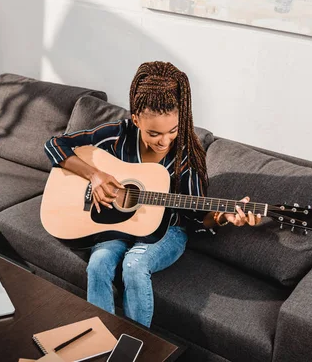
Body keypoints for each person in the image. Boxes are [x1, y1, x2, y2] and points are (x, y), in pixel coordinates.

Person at [44, 61, 262, 327]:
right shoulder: (118, 136)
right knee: (98, 264)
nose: (164, 141)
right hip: (116, 227)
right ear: (136, 120)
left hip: (168, 231)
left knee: (134, 267)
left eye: (173, 130)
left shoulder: (187, 157)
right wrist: (94, 174)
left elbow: (194, 221)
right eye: (154, 133)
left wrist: (222, 216)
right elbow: (56, 144)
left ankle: (136, 346)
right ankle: (96, 341)